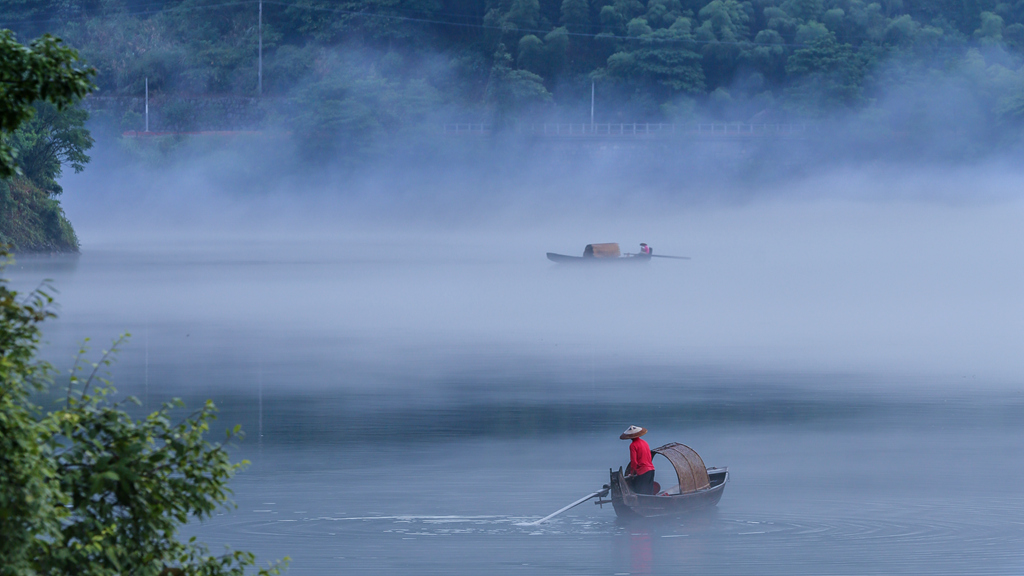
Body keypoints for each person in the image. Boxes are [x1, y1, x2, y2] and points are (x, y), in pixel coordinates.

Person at [620, 425, 655, 495]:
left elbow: (634, 461)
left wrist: (632, 473)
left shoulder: (633, 445)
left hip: (643, 472)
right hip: (651, 470)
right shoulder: (645, 443)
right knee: (649, 493)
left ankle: (641, 505)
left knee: (640, 493)